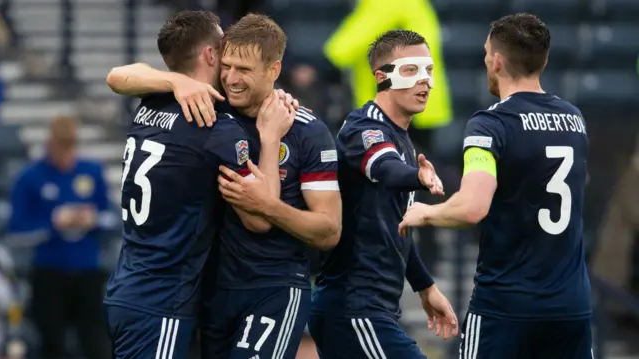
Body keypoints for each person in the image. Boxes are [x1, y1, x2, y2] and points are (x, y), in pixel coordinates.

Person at [103, 11, 295, 359]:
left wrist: (175, 81)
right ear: (210, 55)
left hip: (128, 287)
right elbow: (261, 216)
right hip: (161, 300)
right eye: (224, 48)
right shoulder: (214, 127)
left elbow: (118, 77)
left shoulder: (149, 101)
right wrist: (270, 139)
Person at [399, 13, 591, 359]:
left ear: (498, 61)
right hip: (571, 307)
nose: (487, 60)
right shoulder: (574, 120)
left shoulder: (490, 125)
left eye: (488, 53)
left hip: (507, 307)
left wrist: (426, 212)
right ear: (543, 60)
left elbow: (473, 206)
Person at [305, 29, 457, 359]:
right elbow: (386, 169)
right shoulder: (365, 126)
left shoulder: (401, 138)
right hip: (354, 308)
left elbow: (395, 227)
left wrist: (425, 287)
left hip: (368, 310)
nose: (426, 81)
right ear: (381, 77)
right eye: (411, 70)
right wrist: (417, 176)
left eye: (429, 70)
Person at [204, 14, 342, 359]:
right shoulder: (208, 112)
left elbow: (328, 231)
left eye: (244, 70)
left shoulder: (308, 132)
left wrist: (266, 205)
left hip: (274, 288)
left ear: (274, 70)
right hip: (211, 289)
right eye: (227, 66)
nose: (231, 79)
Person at [8, 115, 114, 359]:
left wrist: (92, 219)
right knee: (52, 342)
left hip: (87, 270)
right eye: (60, 147)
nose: (65, 154)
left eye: (70, 147)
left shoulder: (91, 171)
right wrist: (54, 222)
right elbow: (17, 231)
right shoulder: (30, 177)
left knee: (95, 341)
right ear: (49, 144)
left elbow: (111, 218)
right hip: (49, 273)